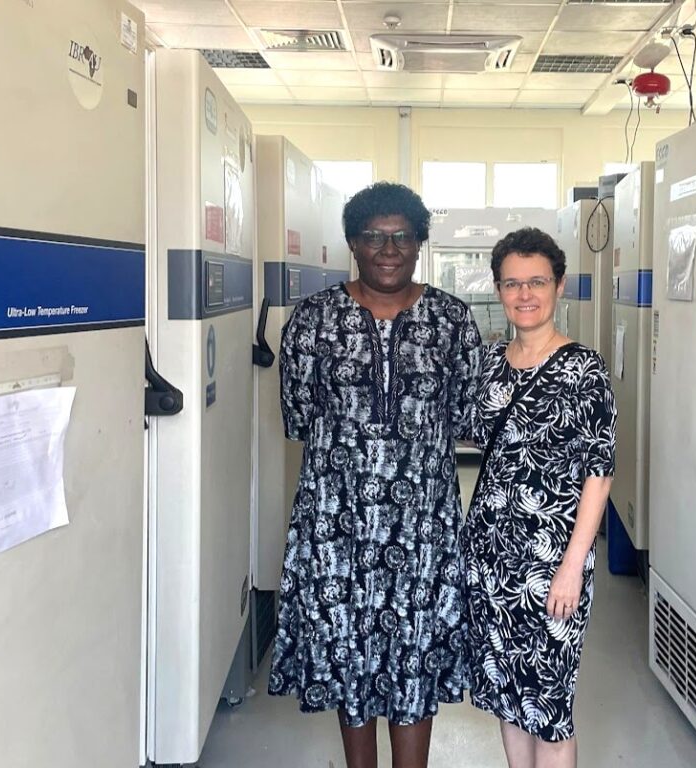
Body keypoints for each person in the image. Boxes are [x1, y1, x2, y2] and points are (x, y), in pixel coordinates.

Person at [268, 181, 483, 768]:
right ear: (352, 244)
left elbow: (468, 418)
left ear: (419, 245)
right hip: (339, 527)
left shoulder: (451, 320)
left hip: (423, 530)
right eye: (374, 237)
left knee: (415, 658)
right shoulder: (312, 321)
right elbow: (297, 416)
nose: (388, 249)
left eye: (401, 238)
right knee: (349, 655)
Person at [462, 227, 616, 768]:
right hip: (488, 555)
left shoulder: (584, 370)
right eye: (512, 283)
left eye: (537, 282)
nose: (524, 295)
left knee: (549, 702)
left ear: (559, 286)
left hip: (553, 557)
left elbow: (600, 470)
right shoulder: (488, 365)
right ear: (498, 289)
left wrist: (574, 563)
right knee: (510, 695)